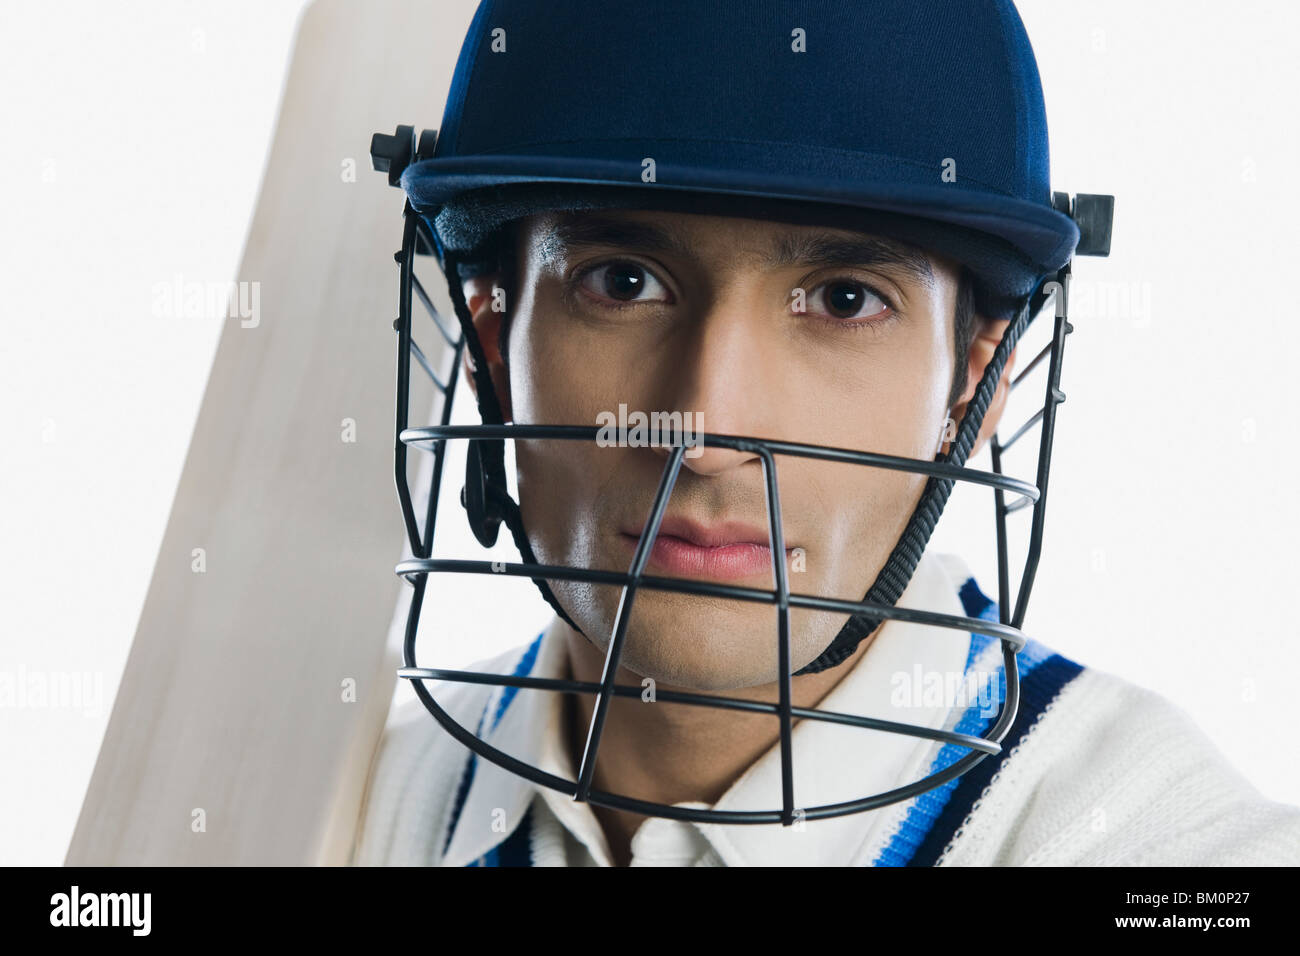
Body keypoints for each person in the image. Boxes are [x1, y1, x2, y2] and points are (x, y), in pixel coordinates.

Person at [350, 0, 1300, 866]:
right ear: (492, 343)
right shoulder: (358, 806)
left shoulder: (1176, 855)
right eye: (623, 282)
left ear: (976, 383)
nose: (708, 429)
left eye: (845, 301)